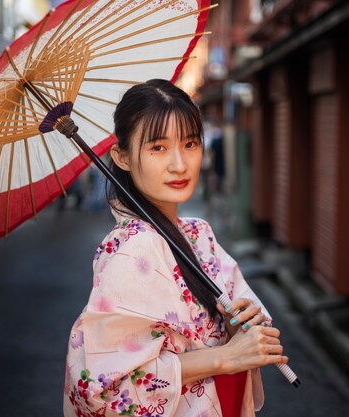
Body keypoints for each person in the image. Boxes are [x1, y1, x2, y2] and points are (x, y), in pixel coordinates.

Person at [63, 79, 288, 417]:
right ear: (122, 157)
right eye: (158, 147)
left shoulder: (199, 235)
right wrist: (223, 357)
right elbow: (100, 390)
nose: (179, 164)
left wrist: (237, 324)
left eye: (190, 143)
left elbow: (239, 328)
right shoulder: (130, 251)